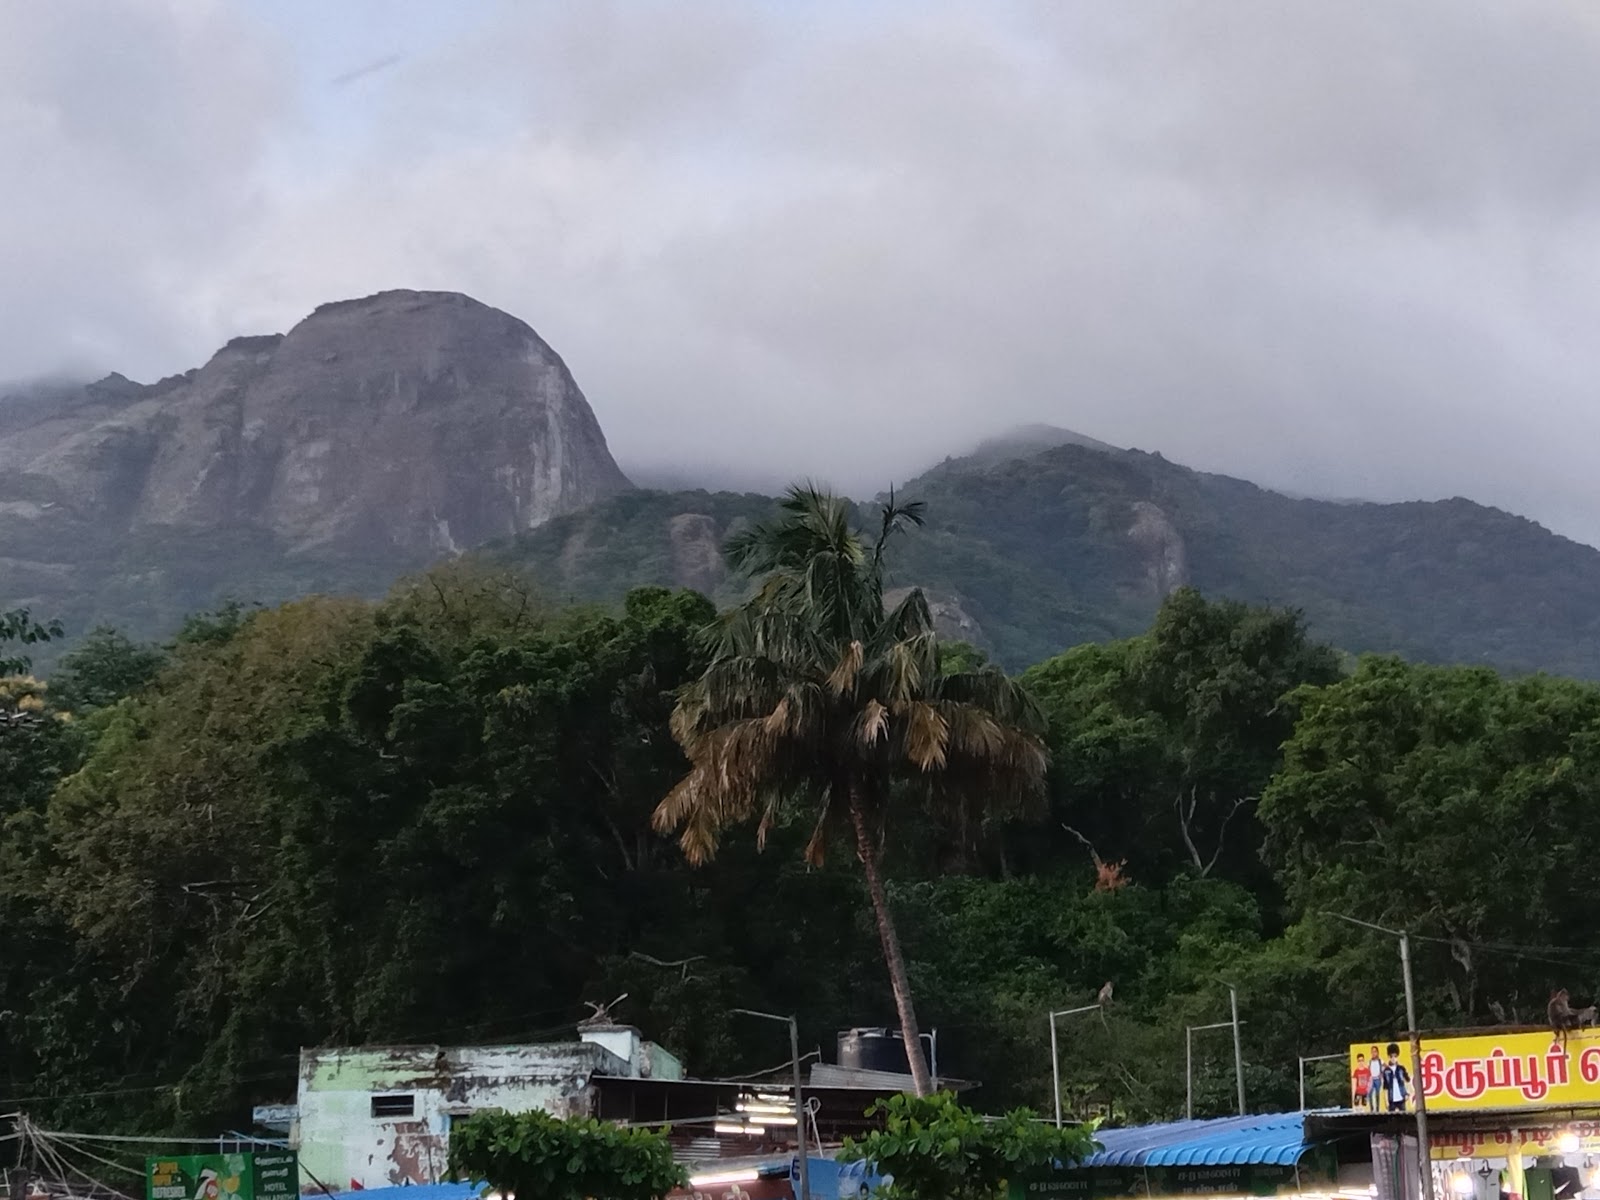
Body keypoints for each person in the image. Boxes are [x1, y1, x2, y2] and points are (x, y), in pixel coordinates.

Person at [1383, 1043, 1410, 1112]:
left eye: (1395, 1056)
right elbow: (1385, 1087)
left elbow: (1407, 1081)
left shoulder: (1401, 1068)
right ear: (1388, 1057)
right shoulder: (1386, 1071)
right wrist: (1386, 1101)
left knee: (1403, 1117)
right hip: (1391, 1099)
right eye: (1391, 1056)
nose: (1393, 1058)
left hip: (1401, 1097)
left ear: (1397, 1056)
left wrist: (1407, 1094)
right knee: (1392, 1119)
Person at [1368, 1045, 1384, 1112]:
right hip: (1372, 1079)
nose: (1374, 1053)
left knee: (1377, 1094)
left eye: (1375, 1052)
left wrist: (1382, 1073)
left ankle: (1377, 1109)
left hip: (1377, 1079)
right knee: (1370, 1093)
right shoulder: (1369, 1061)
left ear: (1377, 1052)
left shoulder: (1380, 1061)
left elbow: (1386, 1067)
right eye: (1372, 1052)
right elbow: (1368, 1069)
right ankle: (1371, 1108)